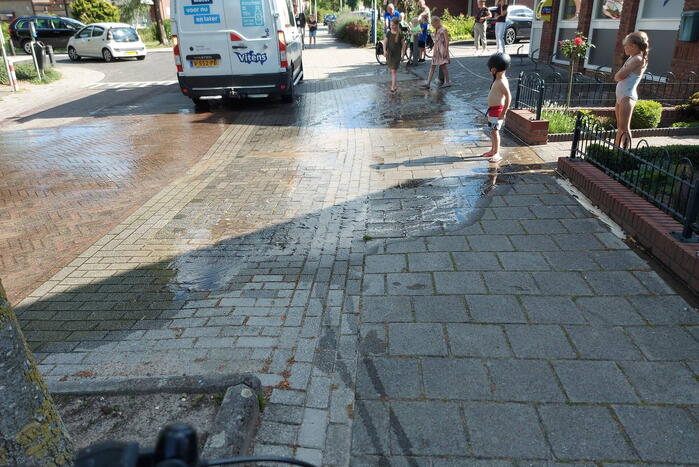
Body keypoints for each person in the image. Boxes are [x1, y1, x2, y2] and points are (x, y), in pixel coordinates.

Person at [614, 31, 648, 148]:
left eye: (626, 45)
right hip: (621, 96)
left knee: (624, 128)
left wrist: (618, 74)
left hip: (627, 96)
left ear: (633, 46)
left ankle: (626, 152)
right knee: (620, 127)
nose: (624, 47)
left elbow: (618, 76)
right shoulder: (632, 57)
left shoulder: (638, 59)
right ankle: (616, 151)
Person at [482, 52, 511, 163]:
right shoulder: (498, 79)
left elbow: (508, 96)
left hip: (498, 111)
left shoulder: (502, 82)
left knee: (495, 132)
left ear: (494, 69)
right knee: (492, 132)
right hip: (493, 111)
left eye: (491, 69)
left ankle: (497, 153)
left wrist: (504, 112)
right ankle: (492, 150)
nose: (490, 71)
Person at [422, 16, 450, 89]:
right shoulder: (436, 29)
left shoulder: (444, 29)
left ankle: (447, 82)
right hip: (436, 50)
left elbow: (447, 41)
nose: (433, 26)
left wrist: (446, 51)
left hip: (442, 50)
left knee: (443, 66)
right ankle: (428, 83)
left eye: (434, 24)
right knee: (432, 66)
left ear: (437, 22)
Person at [384, 18, 405, 93]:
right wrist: (384, 51)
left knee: (393, 71)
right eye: (390, 24)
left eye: (393, 25)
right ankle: (395, 85)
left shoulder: (400, 34)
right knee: (392, 71)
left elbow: (403, 45)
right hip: (390, 54)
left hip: (397, 55)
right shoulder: (389, 33)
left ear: (396, 25)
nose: (391, 26)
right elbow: (385, 42)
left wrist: (403, 54)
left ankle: (392, 87)